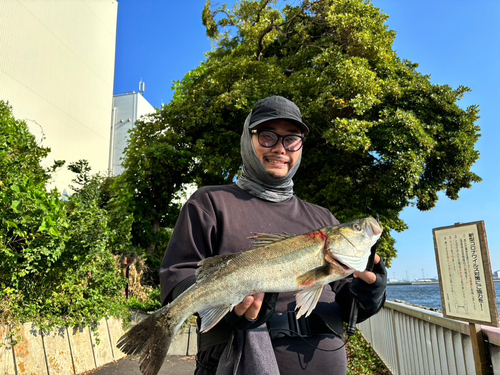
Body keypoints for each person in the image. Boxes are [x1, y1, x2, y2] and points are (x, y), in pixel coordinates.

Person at [159, 96, 387, 375]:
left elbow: (350, 305)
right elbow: (177, 274)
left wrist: (371, 291)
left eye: (291, 139)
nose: (280, 149)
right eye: (267, 136)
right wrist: (228, 307)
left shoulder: (322, 217)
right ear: (248, 138)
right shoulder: (210, 202)